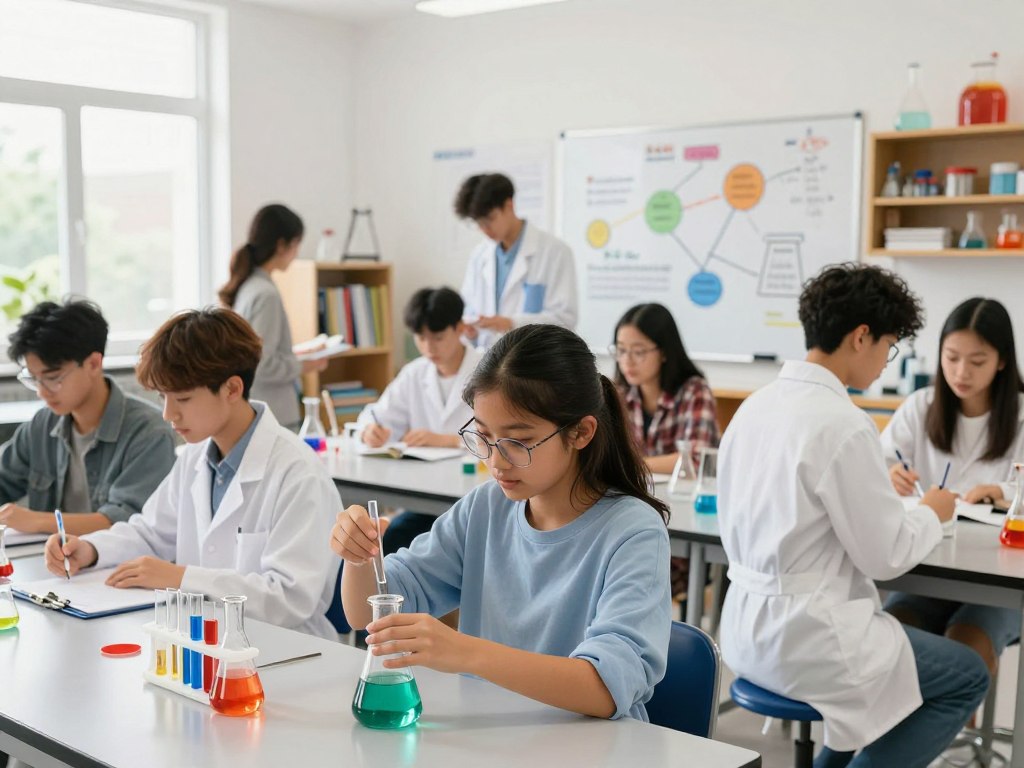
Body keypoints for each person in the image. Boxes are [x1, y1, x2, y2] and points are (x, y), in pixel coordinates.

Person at [717, 264, 988, 767]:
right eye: (889, 345)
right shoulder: (844, 422)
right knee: (967, 675)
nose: (887, 361)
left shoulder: (755, 406)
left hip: (745, 629)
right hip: (809, 640)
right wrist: (931, 512)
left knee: (891, 679)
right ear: (861, 336)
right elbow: (886, 557)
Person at [331, 324, 671, 720]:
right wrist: (359, 556)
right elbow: (367, 613)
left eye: (518, 441)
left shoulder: (633, 532)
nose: (495, 461)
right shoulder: (486, 507)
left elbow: (606, 688)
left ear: (581, 432)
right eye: (483, 436)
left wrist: (465, 652)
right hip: (491, 735)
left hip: (590, 747)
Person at [43, 308, 339, 639]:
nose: (168, 413)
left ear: (231, 389)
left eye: (182, 398)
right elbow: (151, 533)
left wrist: (180, 577)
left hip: (290, 652)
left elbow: (288, 599)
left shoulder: (298, 474)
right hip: (206, 642)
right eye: (162, 397)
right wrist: (91, 549)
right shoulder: (195, 457)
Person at [881, 297, 1024, 677]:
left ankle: (955, 716)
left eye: (977, 361)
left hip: (999, 578)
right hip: (928, 565)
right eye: (951, 357)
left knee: (967, 644)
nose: (961, 372)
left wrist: (1004, 492)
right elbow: (882, 462)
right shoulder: (920, 406)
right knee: (891, 635)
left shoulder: (1021, 415)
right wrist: (890, 475)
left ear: (1003, 360)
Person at [0, 300, 174, 536]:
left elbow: (127, 522)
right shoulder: (43, 424)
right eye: (34, 379)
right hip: (53, 562)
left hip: (118, 565)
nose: (42, 391)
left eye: (53, 377)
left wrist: (39, 521)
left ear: (93, 363)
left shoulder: (148, 432)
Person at [355, 286, 485, 553]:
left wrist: (449, 441)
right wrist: (370, 429)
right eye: (420, 338)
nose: (428, 347)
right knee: (380, 543)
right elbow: (376, 414)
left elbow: (504, 437)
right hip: (424, 500)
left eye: (437, 337)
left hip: (474, 501)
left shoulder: (489, 371)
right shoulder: (414, 373)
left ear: (460, 328)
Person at [219, 203, 327, 428]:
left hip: (259, 410)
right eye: (297, 244)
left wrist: (299, 354)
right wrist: (305, 366)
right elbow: (263, 364)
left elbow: (259, 350)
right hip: (274, 413)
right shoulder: (266, 294)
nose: (297, 253)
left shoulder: (249, 287)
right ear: (281, 245)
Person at [455, 173, 577, 348]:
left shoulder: (555, 252)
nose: (485, 230)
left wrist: (510, 323)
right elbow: (469, 310)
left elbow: (565, 319)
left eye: (489, 220)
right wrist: (470, 331)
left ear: (508, 205)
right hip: (487, 363)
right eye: (479, 224)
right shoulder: (479, 255)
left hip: (533, 360)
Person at [611, 302, 719, 475]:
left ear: (663, 352)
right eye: (621, 350)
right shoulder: (616, 394)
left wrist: (631, 466)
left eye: (638, 352)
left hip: (681, 497)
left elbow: (695, 460)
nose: (627, 361)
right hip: (632, 497)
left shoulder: (695, 392)